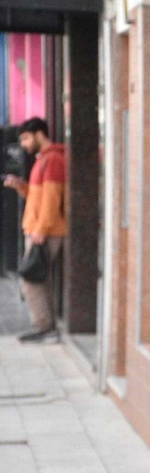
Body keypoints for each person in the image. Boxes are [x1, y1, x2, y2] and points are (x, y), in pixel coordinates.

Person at [3, 118, 66, 343]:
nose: (23, 145)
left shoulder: (53, 161)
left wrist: (40, 229)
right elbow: (37, 197)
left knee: (29, 279)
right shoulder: (43, 161)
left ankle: (43, 326)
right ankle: (47, 327)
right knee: (40, 279)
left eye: (26, 139)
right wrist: (20, 186)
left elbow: (51, 200)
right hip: (39, 229)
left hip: (45, 231)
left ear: (39, 135)